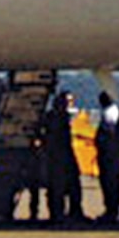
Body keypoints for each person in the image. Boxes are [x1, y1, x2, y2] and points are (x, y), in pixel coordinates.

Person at [44, 91, 86, 223]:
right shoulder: (56, 117)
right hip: (59, 156)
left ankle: (68, 212)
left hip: (62, 155)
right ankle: (59, 213)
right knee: (59, 187)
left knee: (71, 186)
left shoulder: (54, 117)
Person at [95, 90, 119, 225]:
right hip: (112, 155)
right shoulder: (112, 111)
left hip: (111, 156)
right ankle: (112, 211)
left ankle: (112, 212)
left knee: (111, 185)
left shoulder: (110, 113)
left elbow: (110, 135)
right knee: (112, 185)